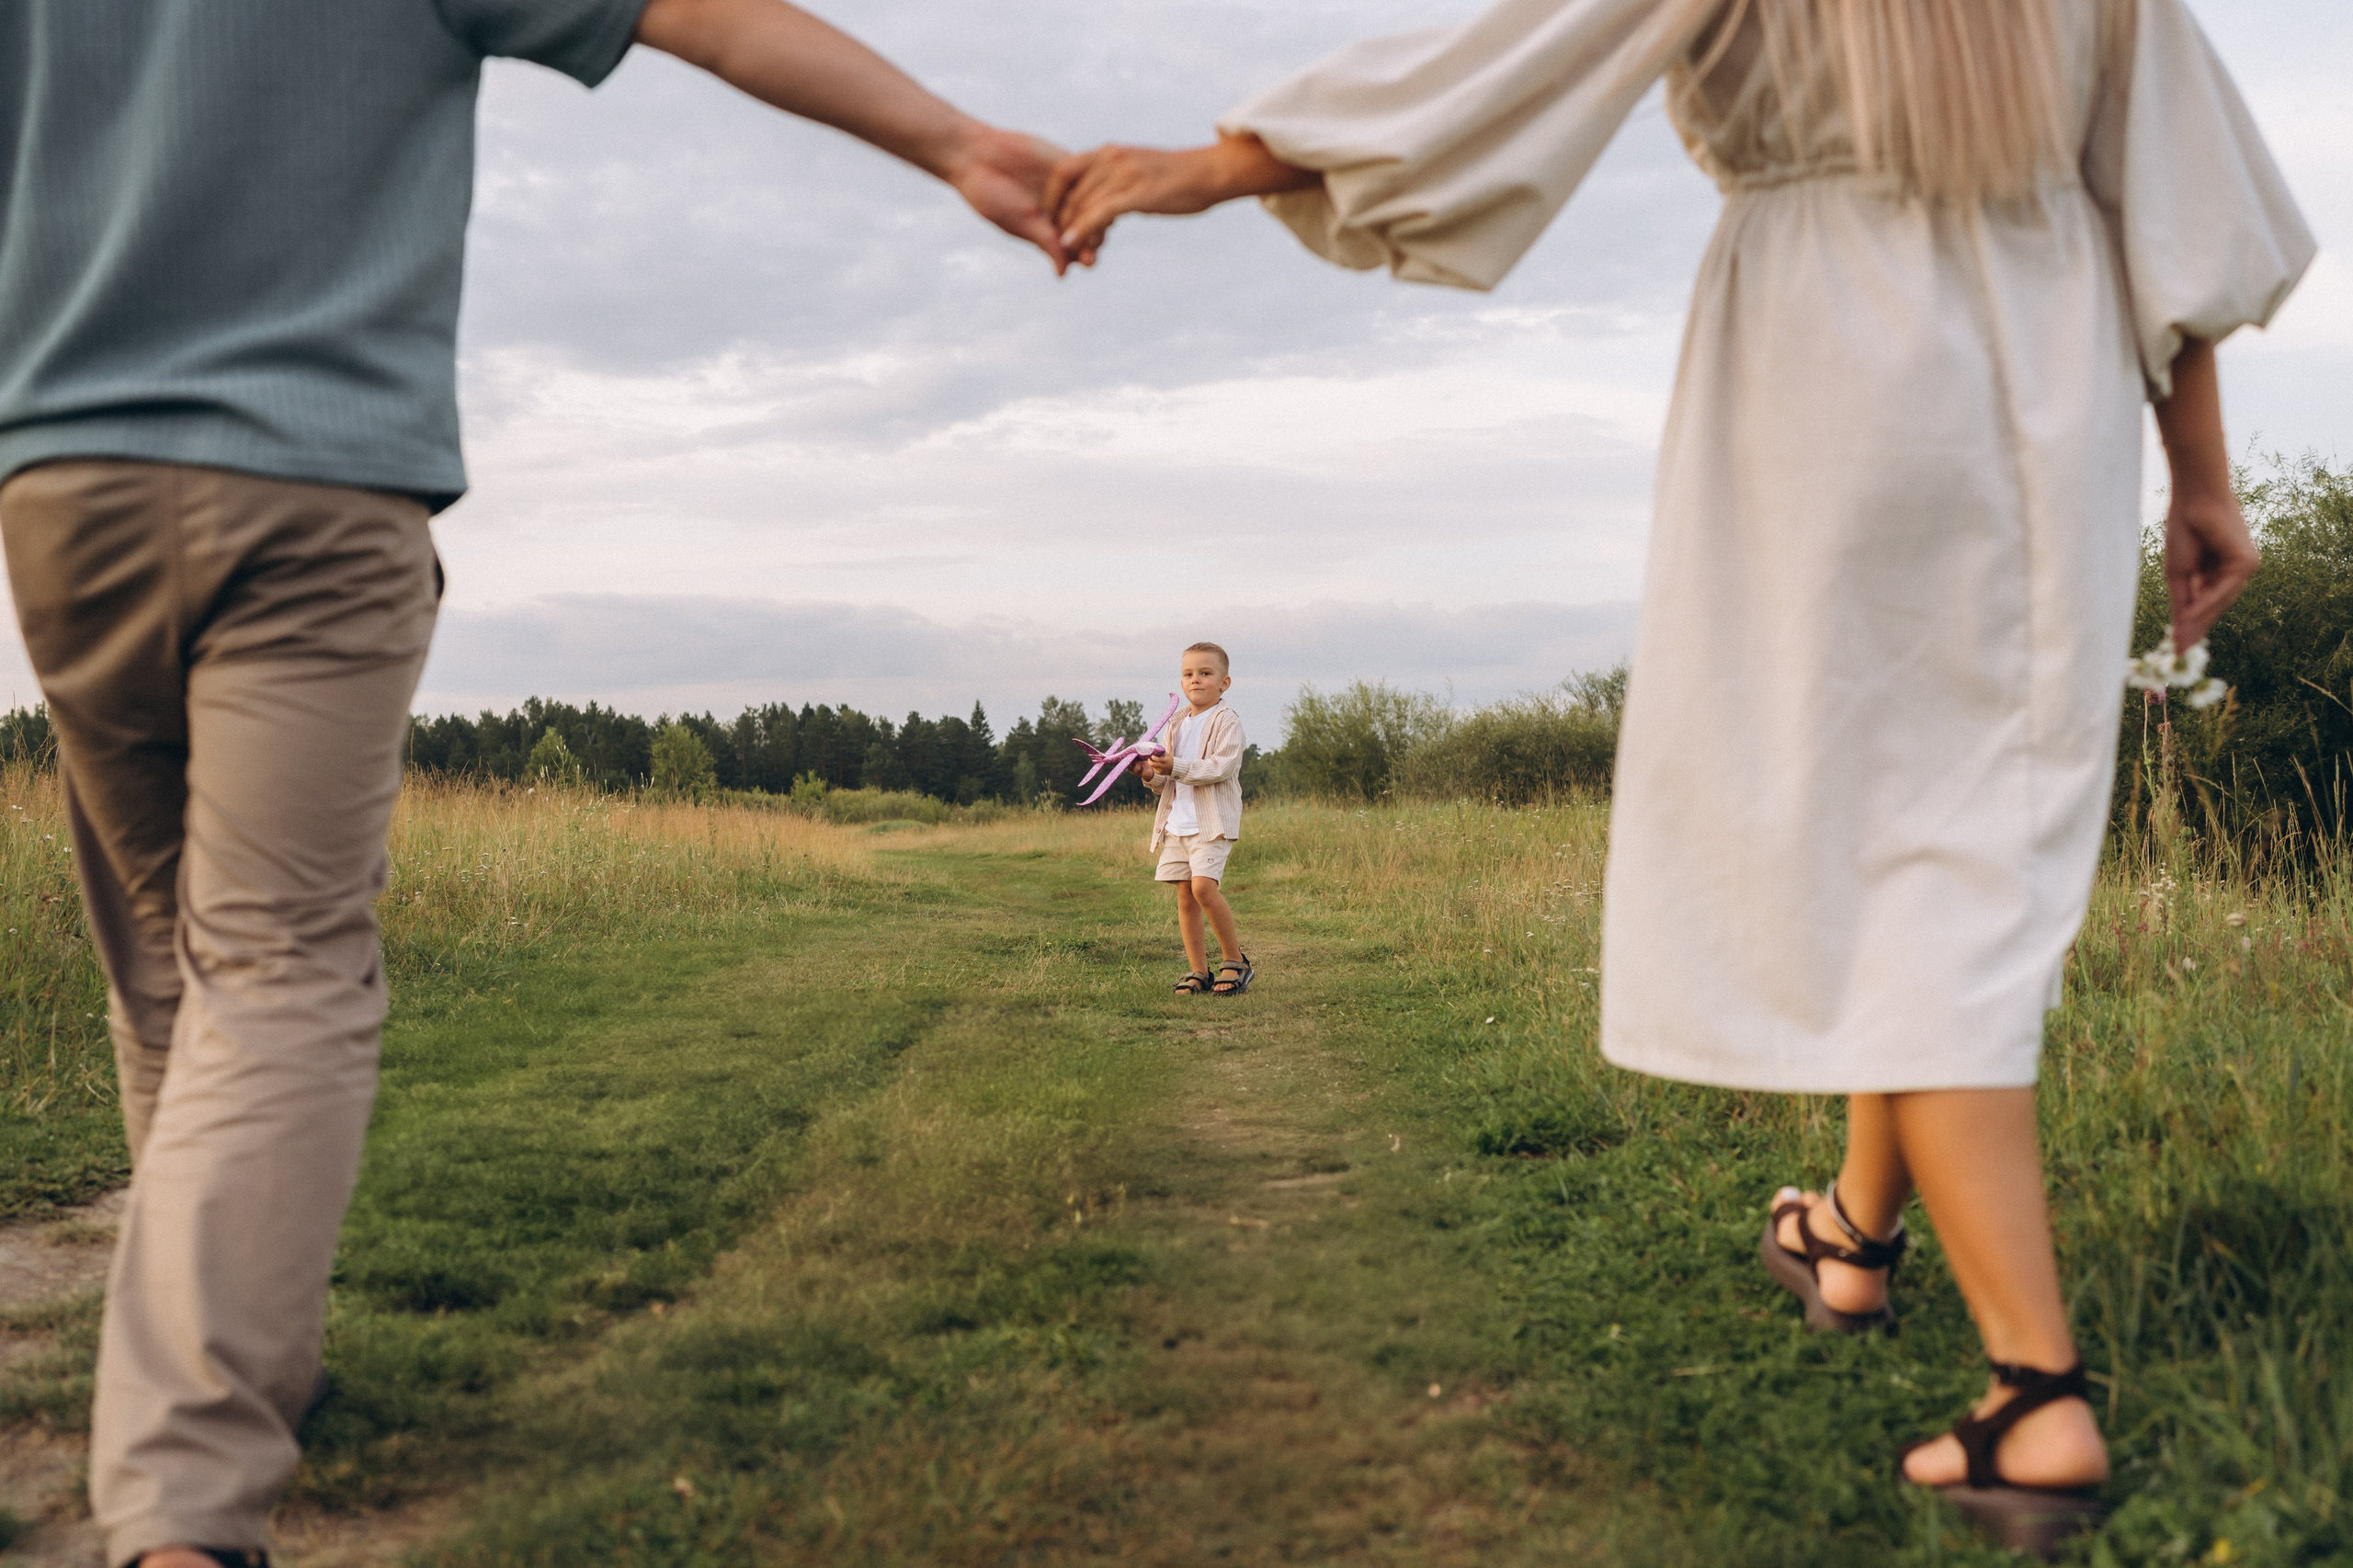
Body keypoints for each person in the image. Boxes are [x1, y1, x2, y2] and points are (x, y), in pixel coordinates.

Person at [1044, 0, 2311, 1553]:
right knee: (1953, 844)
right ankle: (1852, 1232)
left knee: (1881, 840)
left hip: (1824, 361)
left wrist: (1220, 163)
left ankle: (2037, 1392)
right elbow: (2168, 202)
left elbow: (1511, 64)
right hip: (2044, 381)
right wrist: (2200, 474)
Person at [0, 2, 1068, 1563]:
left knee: (172, 959)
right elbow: (709, 18)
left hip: (63, 490)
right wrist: (965, 145)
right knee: (280, 963)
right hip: (313, 481)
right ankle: (184, 1511)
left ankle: (209, 1375)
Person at [1138, 642, 1253, 996]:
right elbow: (1167, 783)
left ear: (1224, 683)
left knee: (1204, 888)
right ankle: (1198, 971)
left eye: (1206, 674)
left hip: (1211, 823)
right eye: (1189, 674)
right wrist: (1148, 773)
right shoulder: (1175, 723)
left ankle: (1235, 962)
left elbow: (1221, 768)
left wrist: (1176, 766)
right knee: (1185, 897)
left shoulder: (1226, 720)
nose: (1196, 681)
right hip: (1177, 824)